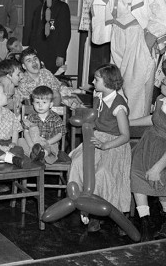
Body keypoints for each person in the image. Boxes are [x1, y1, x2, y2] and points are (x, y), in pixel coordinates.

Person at [51, 0, 166, 118]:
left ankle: (133, 131)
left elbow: (162, 12)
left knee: (136, 87)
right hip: (118, 35)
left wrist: (148, 40)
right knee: (116, 81)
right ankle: (116, 123)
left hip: (139, 36)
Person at [69, 64, 131, 233]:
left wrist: (105, 145)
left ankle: (112, 215)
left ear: (108, 82)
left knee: (102, 174)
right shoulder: (98, 95)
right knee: (77, 163)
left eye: (96, 79)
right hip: (96, 138)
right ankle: (83, 206)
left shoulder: (119, 105)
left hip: (114, 144)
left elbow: (125, 136)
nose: (92, 82)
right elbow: (93, 116)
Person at [130, 62, 166, 241]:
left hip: (164, 153)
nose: (163, 82)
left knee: (162, 186)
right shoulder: (161, 99)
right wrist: (128, 122)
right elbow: (153, 119)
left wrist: (158, 168)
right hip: (149, 143)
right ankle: (145, 221)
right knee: (137, 175)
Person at [27, 0, 71, 74]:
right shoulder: (38, 9)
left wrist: (61, 54)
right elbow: (33, 32)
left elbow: (65, 33)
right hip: (38, 52)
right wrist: (30, 52)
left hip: (54, 53)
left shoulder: (62, 7)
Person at [19, 86, 67, 165]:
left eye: (44, 102)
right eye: (37, 102)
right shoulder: (30, 117)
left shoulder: (55, 118)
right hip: (33, 144)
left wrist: (47, 142)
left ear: (51, 104)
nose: (40, 105)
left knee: (54, 146)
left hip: (49, 143)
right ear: (33, 103)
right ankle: (35, 154)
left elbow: (59, 134)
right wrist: (31, 144)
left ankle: (42, 154)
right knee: (21, 140)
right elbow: (26, 132)